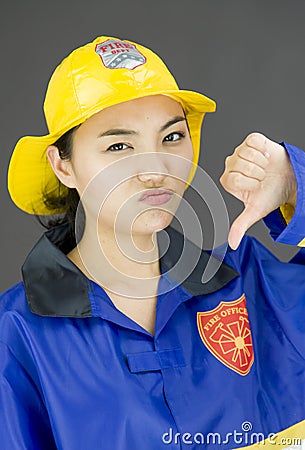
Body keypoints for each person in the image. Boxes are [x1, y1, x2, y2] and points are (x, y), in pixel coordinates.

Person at [1, 35, 305, 450]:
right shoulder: (17, 334)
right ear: (63, 165)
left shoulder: (253, 284)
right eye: (119, 146)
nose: (154, 170)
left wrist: (296, 185)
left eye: (172, 137)